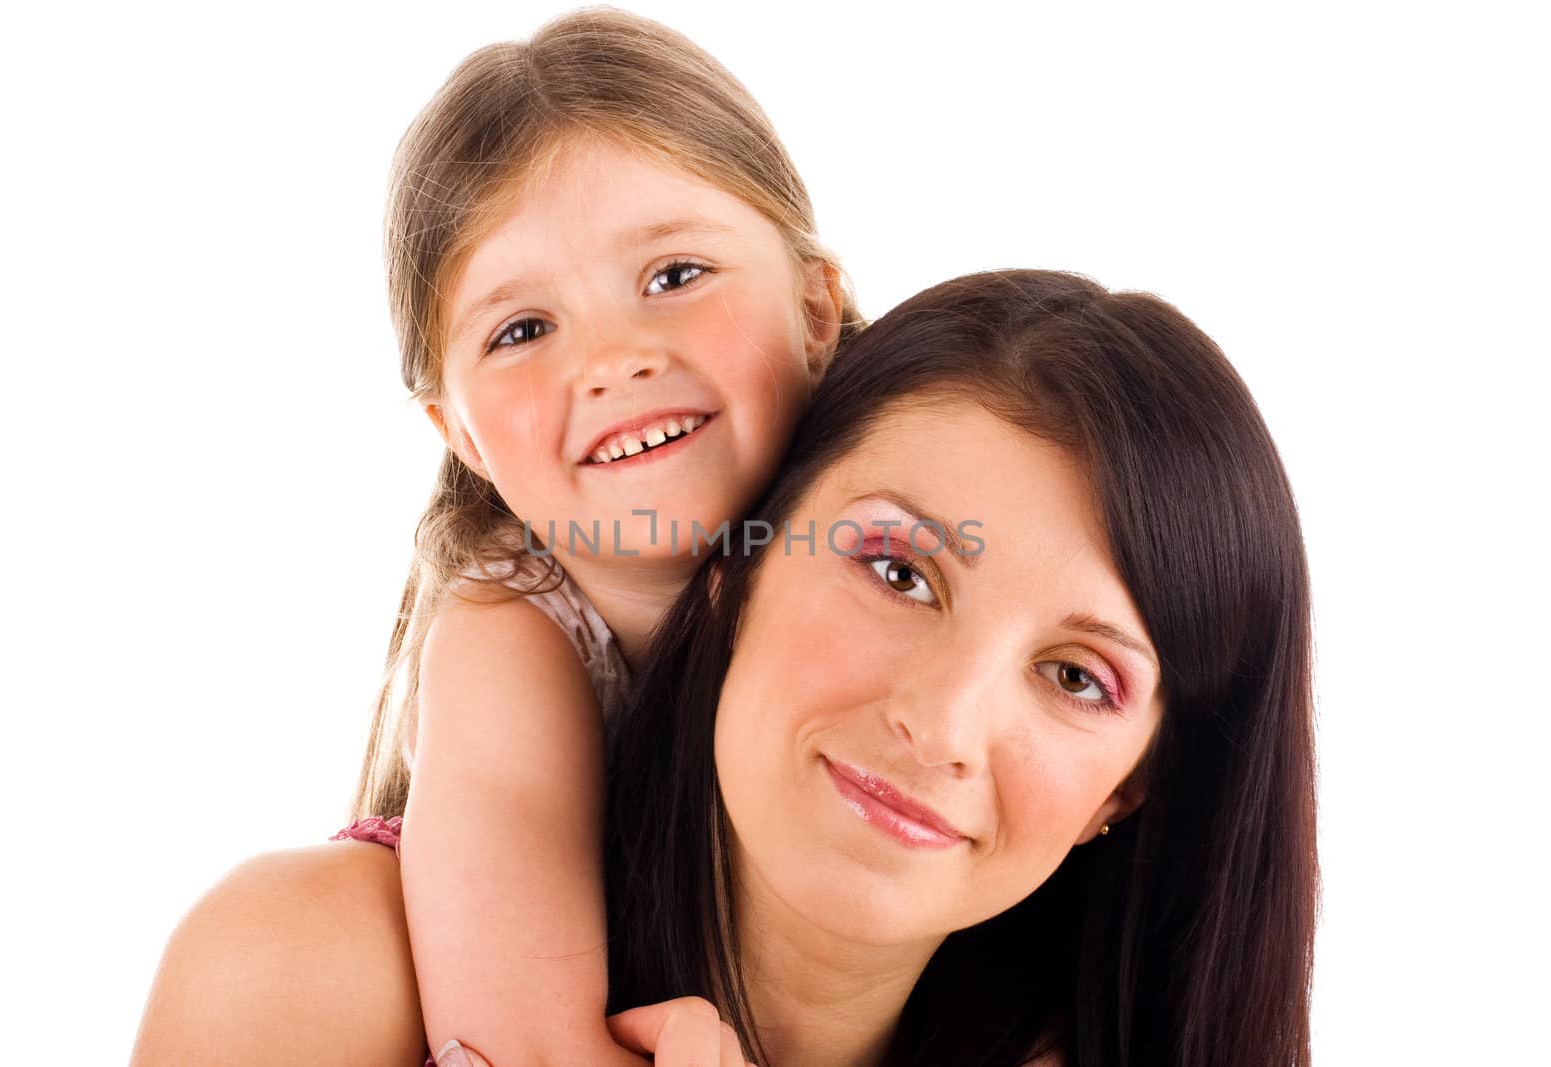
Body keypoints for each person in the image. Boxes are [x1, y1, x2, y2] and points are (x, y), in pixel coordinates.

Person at [132, 269, 1318, 1066]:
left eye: (1073, 678)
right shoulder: (304, 980)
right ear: (729, 561)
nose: (941, 722)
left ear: (1126, 789)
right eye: (897, 571)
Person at [272, 8, 857, 1066]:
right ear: (463, 437)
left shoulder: (893, 535)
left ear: (817, 307)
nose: (613, 358)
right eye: (523, 329)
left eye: (675, 275)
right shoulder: (510, 624)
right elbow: (521, 1044)